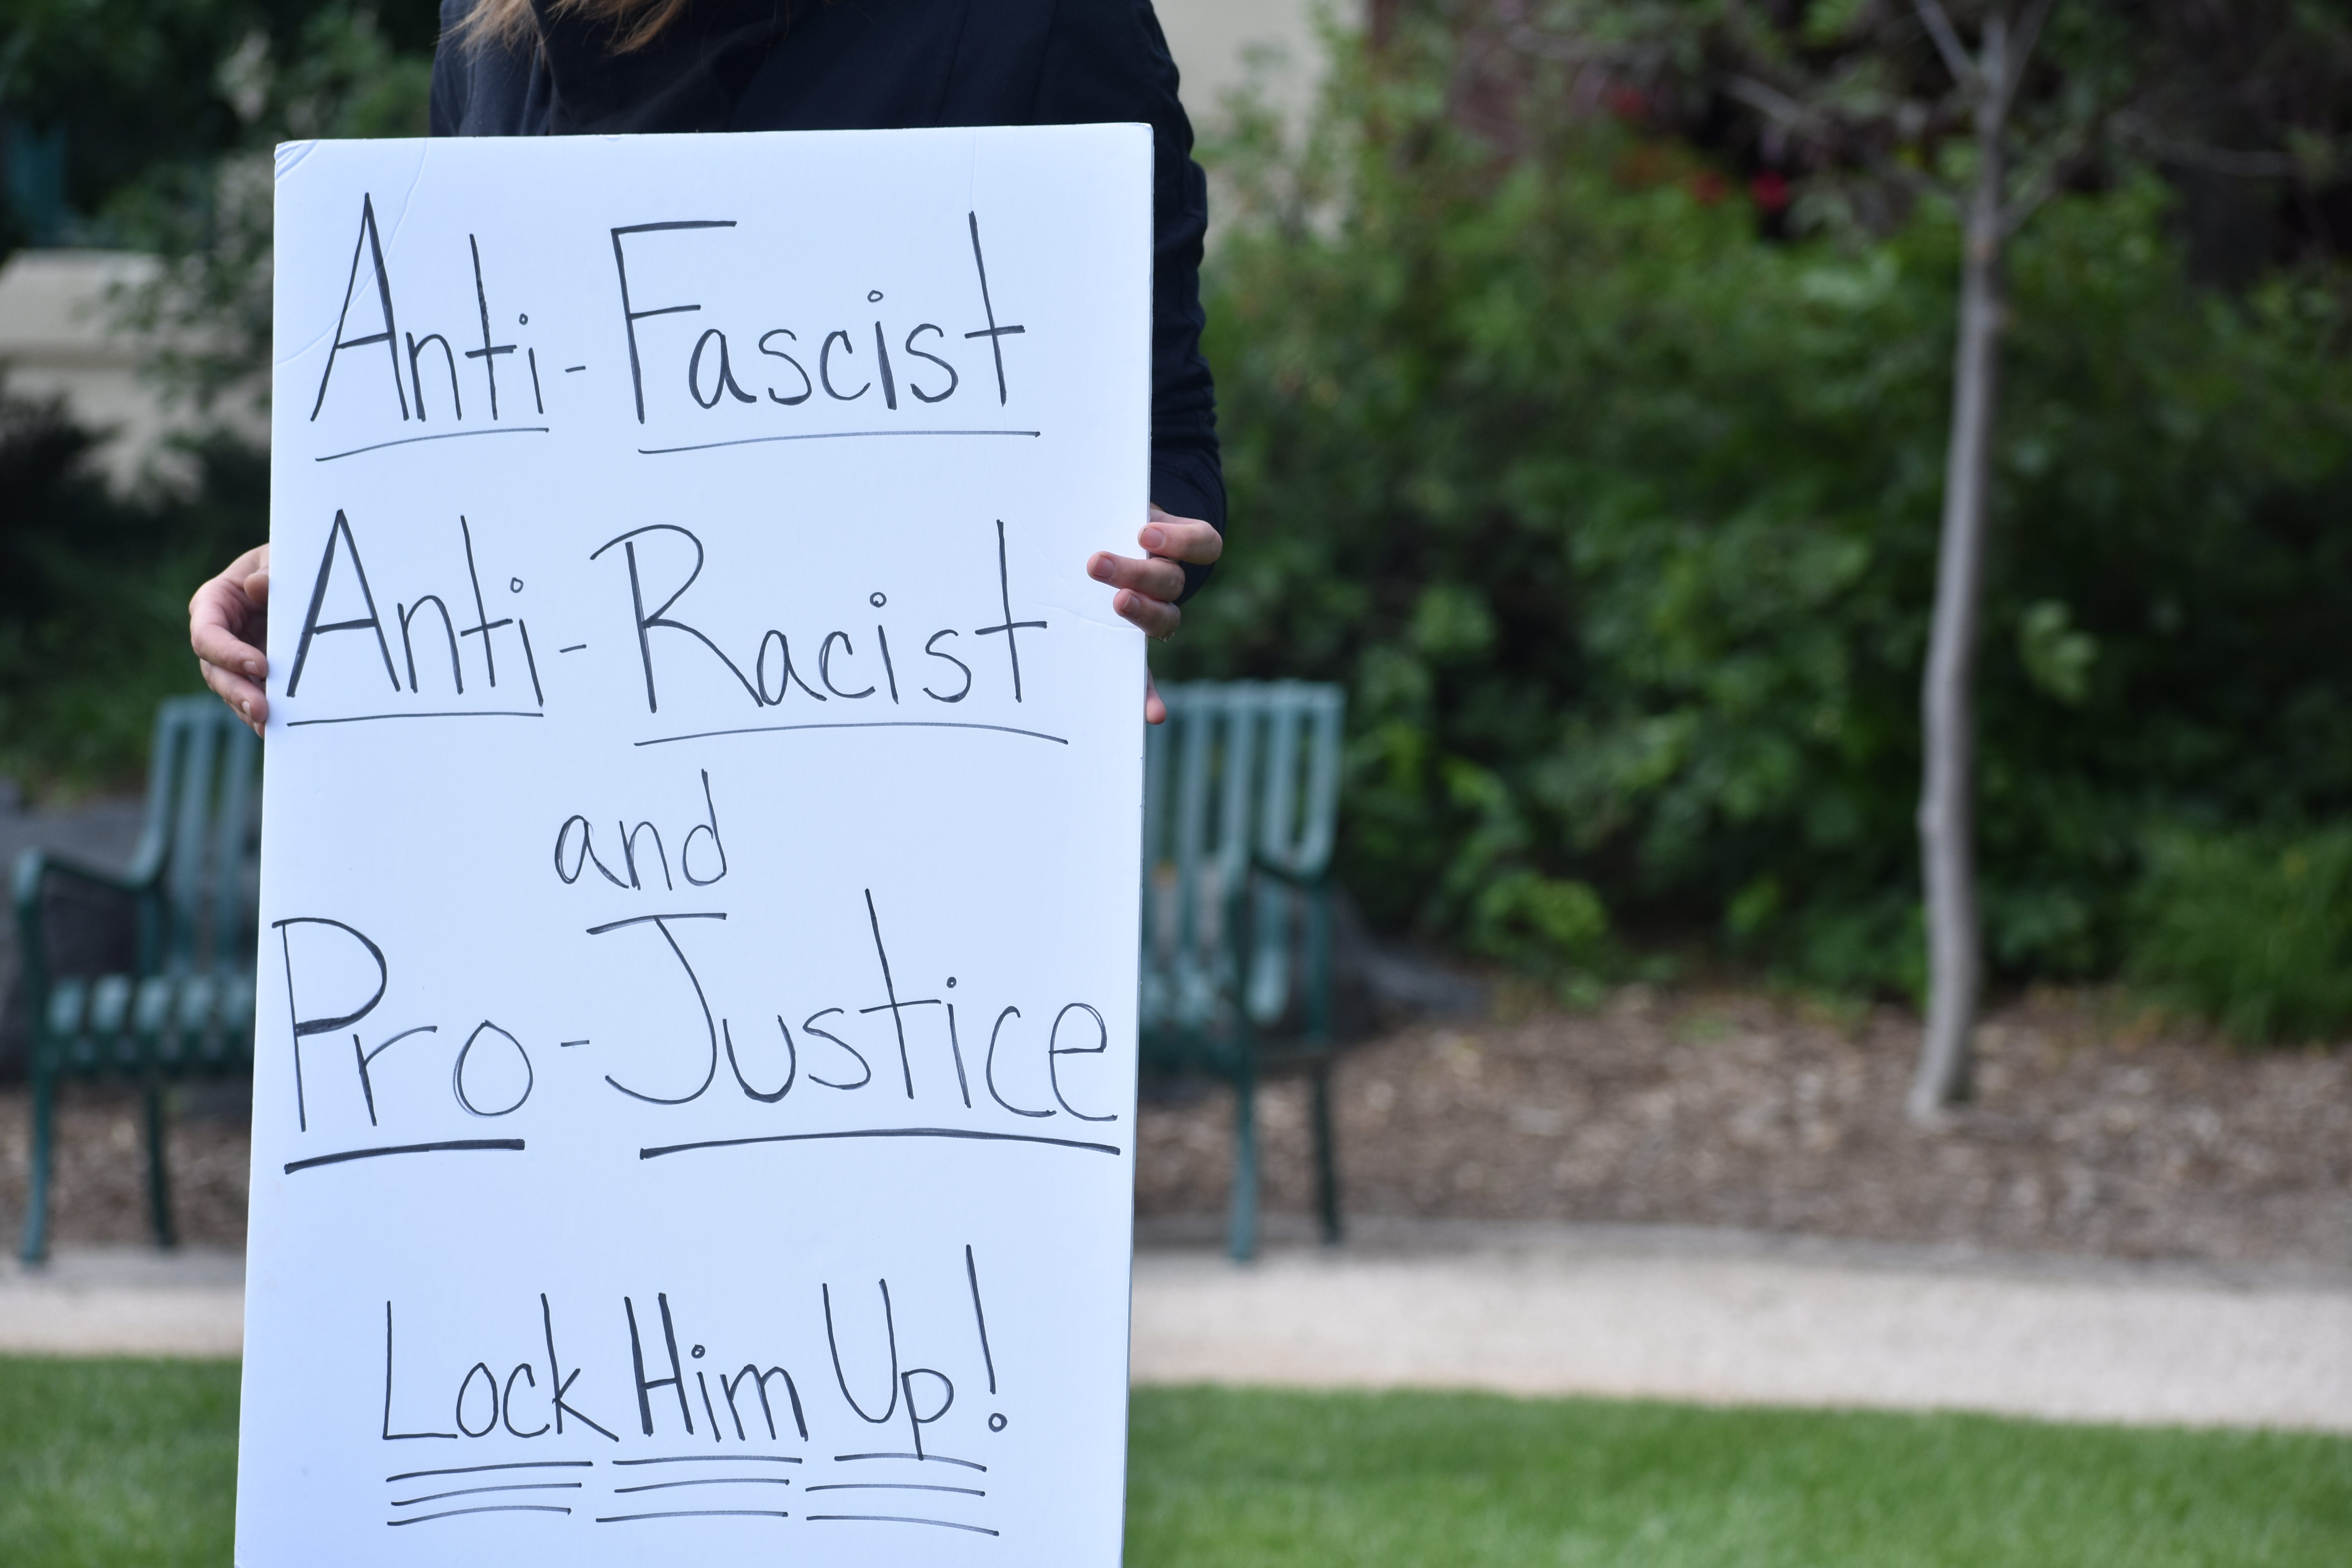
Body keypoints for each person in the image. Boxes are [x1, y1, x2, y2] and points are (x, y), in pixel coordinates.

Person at [191, 0, 1223, 731]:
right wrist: (332, 568)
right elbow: (471, 439)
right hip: (558, 831)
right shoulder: (488, 32)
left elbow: (1157, 428)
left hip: (912, 803)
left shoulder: (1034, 19)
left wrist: (1129, 571)